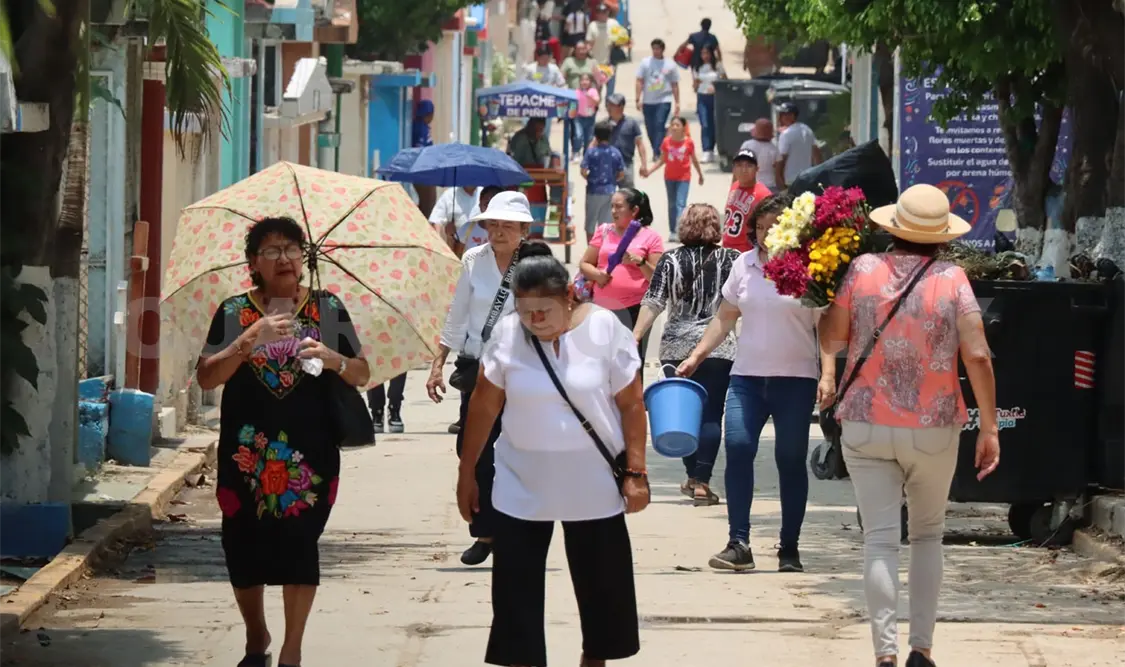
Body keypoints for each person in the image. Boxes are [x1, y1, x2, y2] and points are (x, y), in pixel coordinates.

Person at [818, 184, 1000, 667]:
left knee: (880, 539)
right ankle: (921, 649)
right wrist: (989, 426)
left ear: (893, 227)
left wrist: (823, 308)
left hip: (864, 422)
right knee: (926, 535)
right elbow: (978, 354)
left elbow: (833, 337)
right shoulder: (954, 279)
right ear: (941, 236)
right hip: (934, 424)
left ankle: (884, 655)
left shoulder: (861, 270)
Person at [458, 251, 649, 667]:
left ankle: (592, 658)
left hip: (593, 482)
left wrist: (636, 471)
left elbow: (632, 404)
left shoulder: (604, 329)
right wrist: (467, 471)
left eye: (544, 309)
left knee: (603, 587)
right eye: (525, 311)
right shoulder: (508, 335)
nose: (535, 320)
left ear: (568, 295)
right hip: (521, 482)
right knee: (515, 590)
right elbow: (483, 407)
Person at [197, 216, 370, 667]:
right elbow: (206, 377)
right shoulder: (235, 312)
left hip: (309, 456)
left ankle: (292, 652)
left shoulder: (326, 309)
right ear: (254, 263)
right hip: (245, 453)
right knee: (241, 543)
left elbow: (362, 373)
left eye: (292, 249)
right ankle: (257, 637)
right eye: (271, 250)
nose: (284, 258)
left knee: (299, 544)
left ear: (304, 258)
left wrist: (333, 358)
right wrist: (249, 339)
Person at [678, 193, 833, 574]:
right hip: (746, 377)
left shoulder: (811, 267)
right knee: (739, 447)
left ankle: (790, 548)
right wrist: (696, 355)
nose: (765, 235)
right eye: (760, 228)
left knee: (790, 460)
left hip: (795, 380)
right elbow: (725, 317)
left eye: (774, 227)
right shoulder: (744, 265)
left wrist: (828, 374)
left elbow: (827, 327)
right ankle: (739, 542)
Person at [428, 192, 539, 566]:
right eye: (493, 224)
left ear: (524, 229)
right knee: (472, 451)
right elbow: (457, 314)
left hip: (524, 370)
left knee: (519, 450)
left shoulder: (537, 263)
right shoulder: (473, 261)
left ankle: (515, 528)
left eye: (508, 225)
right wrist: (438, 360)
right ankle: (485, 531)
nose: (498, 231)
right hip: (479, 369)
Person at [633, 204, 740, 506]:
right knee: (711, 414)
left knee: (684, 415)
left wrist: (636, 334)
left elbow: (654, 301)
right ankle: (702, 481)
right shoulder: (732, 259)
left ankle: (693, 477)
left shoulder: (670, 259)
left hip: (676, 349)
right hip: (718, 347)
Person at [578, 188, 664, 372]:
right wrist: (598, 275)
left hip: (635, 310)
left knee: (631, 365)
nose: (614, 211)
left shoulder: (651, 237)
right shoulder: (603, 231)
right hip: (602, 309)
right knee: (600, 363)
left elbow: (657, 277)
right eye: (612, 207)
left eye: (619, 207)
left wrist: (640, 262)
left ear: (634, 211)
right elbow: (584, 264)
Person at [642, 116, 703, 243]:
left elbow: (694, 160)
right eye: (672, 125)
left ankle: (680, 230)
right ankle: (673, 231)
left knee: (680, 203)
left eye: (677, 125)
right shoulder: (666, 142)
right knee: (671, 204)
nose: (674, 127)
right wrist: (649, 171)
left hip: (684, 178)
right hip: (669, 178)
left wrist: (700, 175)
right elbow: (662, 160)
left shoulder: (688, 142)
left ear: (683, 128)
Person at [581, 120, 626, 243]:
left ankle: (590, 250)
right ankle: (604, 251)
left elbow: (583, 170)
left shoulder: (591, 152)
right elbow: (621, 173)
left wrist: (590, 178)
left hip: (593, 191)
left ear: (595, 136)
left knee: (590, 224)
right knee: (606, 224)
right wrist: (612, 180)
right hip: (610, 192)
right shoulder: (615, 152)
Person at [635, 38, 680, 158]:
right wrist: (637, 98)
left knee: (659, 124)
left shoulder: (670, 64)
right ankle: (657, 146)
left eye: (658, 49)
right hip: (648, 100)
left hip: (664, 99)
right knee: (650, 127)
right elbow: (639, 80)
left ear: (662, 49)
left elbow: (674, 84)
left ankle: (657, 152)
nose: (655, 51)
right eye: (654, 49)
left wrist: (677, 102)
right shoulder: (645, 63)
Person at [721, 149, 773, 253]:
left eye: (749, 165)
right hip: (726, 248)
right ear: (734, 169)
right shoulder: (735, 186)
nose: (744, 170)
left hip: (745, 252)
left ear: (757, 169)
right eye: (739, 165)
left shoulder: (763, 194)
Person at [775, 101, 822, 190]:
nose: (781, 118)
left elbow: (781, 160)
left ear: (793, 116)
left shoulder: (786, 134)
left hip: (791, 182)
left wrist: (778, 179)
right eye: (781, 115)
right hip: (807, 179)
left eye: (784, 114)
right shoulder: (807, 130)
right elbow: (817, 154)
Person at [604, 93, 647, 189]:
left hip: (626, 164)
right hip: (608, 164)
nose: (609, 108)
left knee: (628, 195)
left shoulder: (631, 123)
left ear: (621, 107)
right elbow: (595, 143)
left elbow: (640, 144)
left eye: (612, 105)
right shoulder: (604, 124)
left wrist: (643, 164)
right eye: (608, 105)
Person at [693, 45, 726, 163]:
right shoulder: (697, 67)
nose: (705, 56)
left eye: (707, 53)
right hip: (702, 97)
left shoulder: (717, 66)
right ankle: (707, 150)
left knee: (715, 123)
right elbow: (695, 86)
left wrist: (716, 86)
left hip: (715, 97)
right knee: (705, 123)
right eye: (702, 53)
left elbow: (725, 80)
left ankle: (717, 148)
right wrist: (696, 84)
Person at [586, 3, 624, 96]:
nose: (602, 14)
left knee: (610, 91)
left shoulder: (614, 23)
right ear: (597, 14)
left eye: (604, 12)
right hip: (597, 63)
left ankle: (609, 107)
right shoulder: (593, 26)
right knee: (596, 91)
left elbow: (621, 39)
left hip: (610, 63)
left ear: (608, 12)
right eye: (599, 12)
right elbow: (589, 43)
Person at [457, 185, 506, 257]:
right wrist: (450, 236)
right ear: (480, 205)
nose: (490, 207)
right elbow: (457, 256)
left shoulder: (508, 232)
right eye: (486, 203)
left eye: (495, 204)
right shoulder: (467, 229)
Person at [430, 186, 480, 250]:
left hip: (480, 246)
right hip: (456, 247)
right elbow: (436, 221)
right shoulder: (449, 195)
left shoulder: (484, 194)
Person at [739, 119, 780, 190]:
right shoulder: (774, 149)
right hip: (769, 187)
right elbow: (778, 173)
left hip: (750, 186)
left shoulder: (747, 145)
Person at [575, 73, 601, 157]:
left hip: (590, 118)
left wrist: (589, 97)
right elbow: (573, 103)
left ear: (590, 82)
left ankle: (586, 155)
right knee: (578, 135)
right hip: (579, 117)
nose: (584, 82)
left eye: (586, 80)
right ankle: (575, 151)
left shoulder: (593, 91)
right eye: (582, 80)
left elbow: (597, 102)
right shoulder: (577, 91)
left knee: (589, 139)